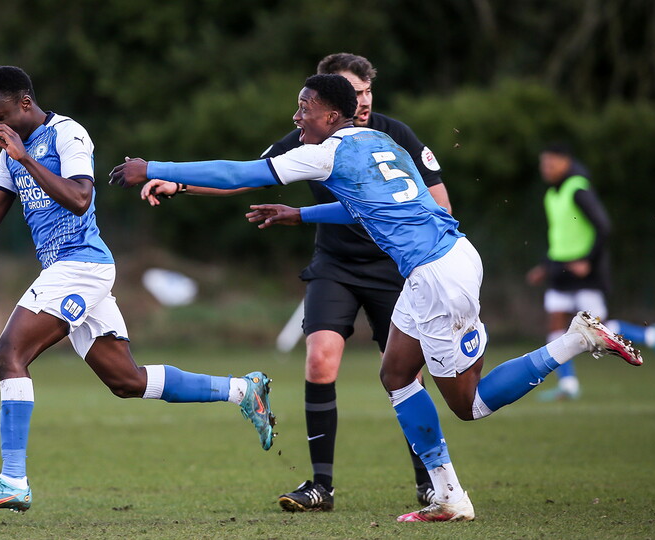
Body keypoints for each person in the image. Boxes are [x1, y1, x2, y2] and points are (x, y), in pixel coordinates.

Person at [110, 73, 643, 522]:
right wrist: (300, 214)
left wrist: (154, 169)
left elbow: (242, 173)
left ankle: (573, 342)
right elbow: (369, 207)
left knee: (469, 404)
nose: (298, 117)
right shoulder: (380, 143)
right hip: (447, 259)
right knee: (394, 375)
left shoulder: (321, 154)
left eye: (306, 109)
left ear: (332, 116)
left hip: (437, 277)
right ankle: (446, 495)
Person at [0, 66, 276, 513]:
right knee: (127, 381)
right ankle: (244, 390)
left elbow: (81, 198)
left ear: (25, 103)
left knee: (9, 357)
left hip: (80, 267)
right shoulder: (8, 154)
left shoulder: (66, 134)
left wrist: (25, 157)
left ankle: (12, 481)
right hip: (73, 271)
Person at [140, 52, 449, 512]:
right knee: (320, 360)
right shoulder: (311, 136)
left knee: (405, 376)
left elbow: (439, 207)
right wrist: (178, 183)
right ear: (330, 100)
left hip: (393, 268)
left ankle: (430, 482)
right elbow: (245, 176)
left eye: (367, 93)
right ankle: (320, 486)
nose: (361, 102)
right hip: (336, 265)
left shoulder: (396, 135)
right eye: (352, 93)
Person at [527, 143, 655, 399]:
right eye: (544, 164)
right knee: (555, 323)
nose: (546, 169)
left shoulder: (577, 188)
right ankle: (568, 384)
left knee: (601, 327)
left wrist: (587, 260)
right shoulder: (552, 194)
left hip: (585, 274)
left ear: (565, 162)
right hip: (560, 272)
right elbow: (563, 237)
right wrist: (545, 267)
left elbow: (603, 226)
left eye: (550, 163)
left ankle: (651, 335)